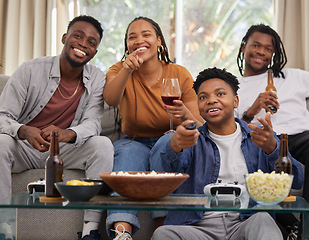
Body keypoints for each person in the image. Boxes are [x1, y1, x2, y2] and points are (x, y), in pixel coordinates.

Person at [151, 67, 304, 240]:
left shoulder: (260, 136)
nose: (211, 100)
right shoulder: (193, 139)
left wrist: (273, 149)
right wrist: (175, 145)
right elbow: (166, 173)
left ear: (236, 101)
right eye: (203, 97)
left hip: (244, 223)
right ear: (198, 106)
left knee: (263, 219)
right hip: (199, 228)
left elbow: (297, 181)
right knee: (163, 234)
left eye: (220, 94)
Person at [235, 24, 309, 238]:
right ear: (244, 47)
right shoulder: (233, 86)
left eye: (268, 49)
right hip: (264, 140)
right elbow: (233, 130)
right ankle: (291, 226)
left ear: (273, 53)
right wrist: (253, 109)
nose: (262, 52)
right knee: (252, 163)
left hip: (303, 137)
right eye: (256, 45)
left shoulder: (291, 76)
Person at [0, 15, 114, 240]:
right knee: (1, 142)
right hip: (24, 148)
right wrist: (24, 130)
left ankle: (90, 231)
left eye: (92, 42)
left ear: (95, 52)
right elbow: (3, 116)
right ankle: (4, 230)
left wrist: (69, 133)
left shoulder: (97, 79)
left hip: (64, 151)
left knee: (102, 144)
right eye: (78, 36)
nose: (83, 44)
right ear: (65, 38)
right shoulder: (30, 70)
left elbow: (92, 123)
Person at [103, 17, 203, 240]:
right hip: (134, 140)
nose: (139, 40)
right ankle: (122, 233)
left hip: (169, 139)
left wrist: (183, 114)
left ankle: (163, 230)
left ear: (159, 41)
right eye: (132, 36)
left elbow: (198, 123)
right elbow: (110, 99)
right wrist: (127, 71)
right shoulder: (119, 69)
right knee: (126, 153)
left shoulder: (179, 73)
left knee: (165, 145)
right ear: (127, 45)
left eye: (146, 35)